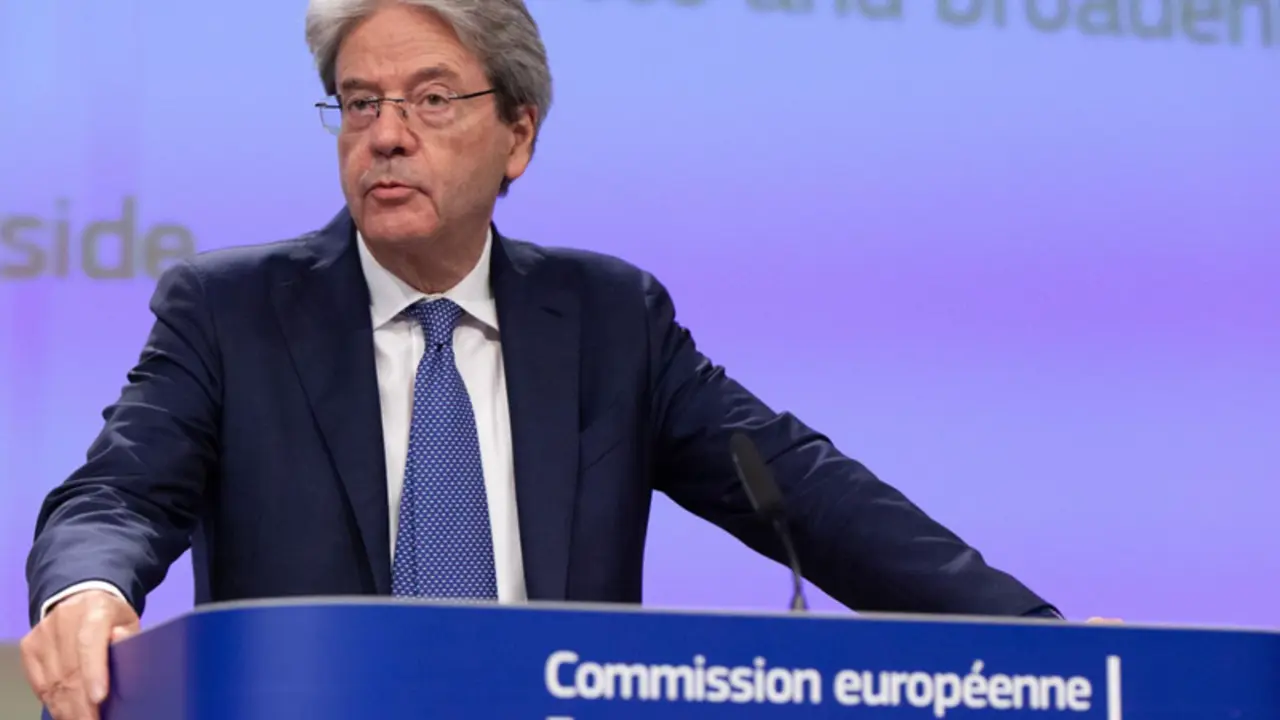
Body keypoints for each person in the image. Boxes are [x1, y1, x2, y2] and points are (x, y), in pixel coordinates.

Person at [19, 0, 1067, 718]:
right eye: (358, 101)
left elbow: (806, 493)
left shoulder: (607, 318)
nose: (385, 134)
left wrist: (1036, 643)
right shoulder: (231, 310)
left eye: (431, 100)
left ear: (517, 134)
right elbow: (115, 495)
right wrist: (86, 595)